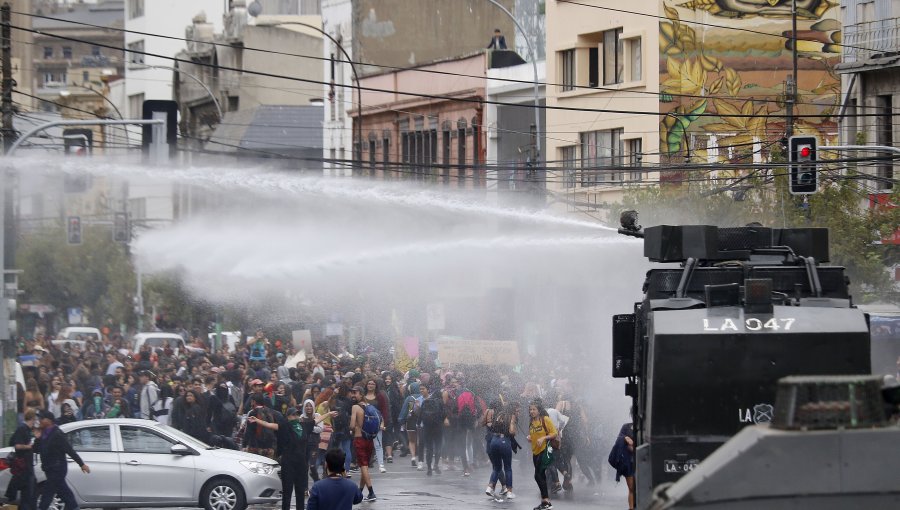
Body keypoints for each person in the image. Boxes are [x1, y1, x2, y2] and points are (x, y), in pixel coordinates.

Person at [34, 410, 91, 510]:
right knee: (63, 491)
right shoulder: (44, 434)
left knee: (48, 492)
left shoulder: (57, 434)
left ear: (49, 420)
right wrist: (37, 438)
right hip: (48, 468)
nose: (40, 421)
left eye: (41, 419)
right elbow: (36, 449)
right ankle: (74, 507)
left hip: (57, 468)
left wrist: (81, 464)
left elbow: (69, 450)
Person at [527, 401, 557, 510]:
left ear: (539, 410)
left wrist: (543, 438)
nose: (532, 411)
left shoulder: (545, 419)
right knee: (542, 476)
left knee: (537, 475)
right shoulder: (531, 422)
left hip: (544, 450)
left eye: (534, 409)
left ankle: (546, 501)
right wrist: (530, 437)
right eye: (530, 409)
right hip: (535, 451)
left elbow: (554, 433)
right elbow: (533, 434)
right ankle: (545, 502)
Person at [5, 409, 37, 510]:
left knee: (28, 495)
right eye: (34, 419)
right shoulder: (22, 429)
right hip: (24, 467)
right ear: (32, 418)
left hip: (27, 467)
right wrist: (29, 446)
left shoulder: (27, 429)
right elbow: (17, 446)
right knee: (27, 495)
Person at [349, 386, 376, 502]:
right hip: (369, 439)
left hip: (359, 439)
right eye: (352, 393)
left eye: (355, 393)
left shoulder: (355, 407)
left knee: (363, 466)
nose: (353, 395)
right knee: (364, 467)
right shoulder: (369, 406)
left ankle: (371, 492)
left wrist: (352, 427)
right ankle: (359, 493)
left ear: (361, 394)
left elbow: (351, 425)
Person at [485, 401, 516, 500]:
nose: (518, 412)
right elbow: (511, 431)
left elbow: (489, 425)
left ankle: (490, 487)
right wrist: (513, 426)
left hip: (493, 441)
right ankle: (509, 492)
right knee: (508, 468)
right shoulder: (511, 416)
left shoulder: (498, 414)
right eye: (517, 410)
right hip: (504, 441)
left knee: (497, 467)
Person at [418, 383, 447, 476]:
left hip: (427, 428)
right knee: (438, 447)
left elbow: (420, 415)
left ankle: (429, 468)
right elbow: (444, 414)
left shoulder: (425, 401)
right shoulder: (440, 402)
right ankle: (436, 465)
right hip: (438, 428)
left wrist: (419, 424)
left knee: (429, 449)